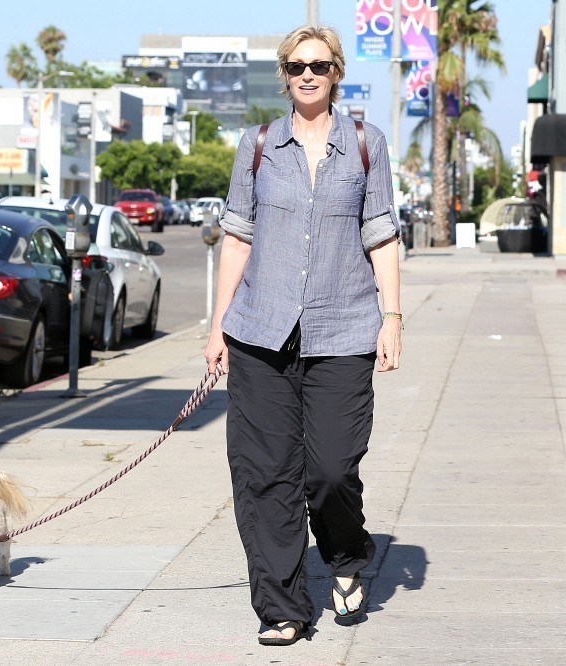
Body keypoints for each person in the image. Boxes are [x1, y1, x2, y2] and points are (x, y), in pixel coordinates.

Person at [203, 24, 402, 647]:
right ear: (284, 75)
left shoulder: (367, 144)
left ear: (337, 71)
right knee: (264, 474)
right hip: (261, 331)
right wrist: (217, 329)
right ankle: (283, 607)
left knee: (332, 470)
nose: (307, 74)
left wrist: (392, 318)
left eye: (318, 64)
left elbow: (382, 235)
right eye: (295, 66)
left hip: (344, 328)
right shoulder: (257, 145)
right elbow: (237, 236)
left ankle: (346, 555)